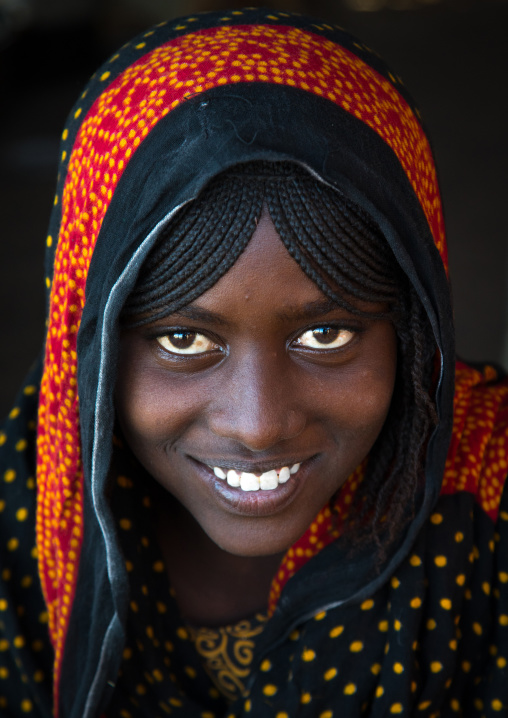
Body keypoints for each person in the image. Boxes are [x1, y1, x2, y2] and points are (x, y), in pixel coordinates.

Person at [1, 7, 507, 717]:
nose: (260, 423)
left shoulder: (490, 499)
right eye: (184, 341)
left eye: (327, 335)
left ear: (415, 326)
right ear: (92, 345)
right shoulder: (29, 497)